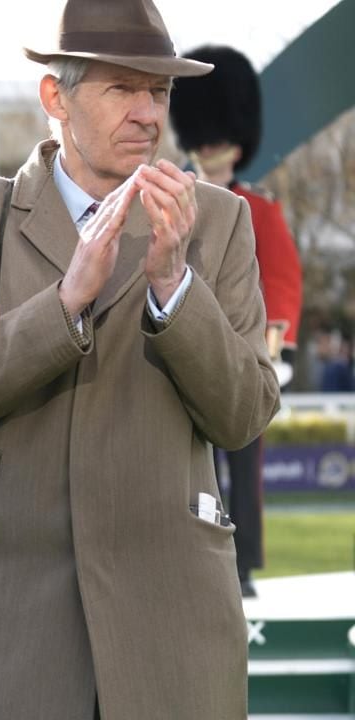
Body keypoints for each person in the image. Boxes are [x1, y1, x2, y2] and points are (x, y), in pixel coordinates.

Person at [0, 1, 280, 718]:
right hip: (6, 630)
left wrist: (174, 286)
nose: (147, 114)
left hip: (172, 628)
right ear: (55, 98)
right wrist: (62, 307)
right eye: (121, 88)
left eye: (159, 91)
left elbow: (244, 415)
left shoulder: (219, 221)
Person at [169, 44, 304, 597]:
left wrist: (273, 348)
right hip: (184, 341)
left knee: (243, 464)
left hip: (242, 349)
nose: (212, 152)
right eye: (205, 143)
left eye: (219, 142)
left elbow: (280, 282)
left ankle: (242, 563)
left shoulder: (259, 208)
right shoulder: (175, 195)